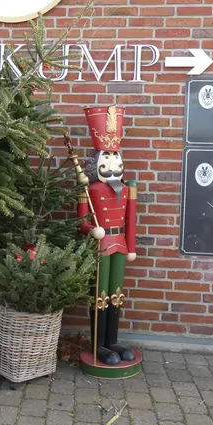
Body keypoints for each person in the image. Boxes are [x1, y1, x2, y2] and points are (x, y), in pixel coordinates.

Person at [78, 106, 137, 366]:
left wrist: (131, 247)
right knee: (100, 293)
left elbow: (130, 220)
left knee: (116, 293)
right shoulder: (89, 190)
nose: (113, 164)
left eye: (116, 158)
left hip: (120, 243)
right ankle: (98, 344)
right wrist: (91, 230)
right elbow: (81, 221)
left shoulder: (127, 189)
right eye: (107, 158)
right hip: (101, 244)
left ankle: (112, 341)